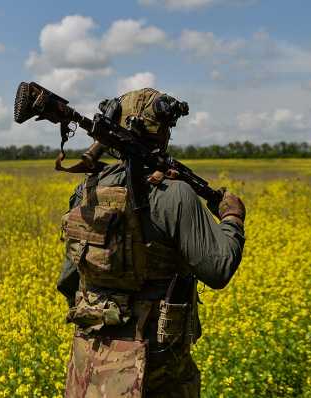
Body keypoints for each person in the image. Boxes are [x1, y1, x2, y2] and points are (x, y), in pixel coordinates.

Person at [56, 88, 246, 397]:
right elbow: (219, 268)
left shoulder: (85, 191)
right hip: (156, 369)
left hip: (90, 364)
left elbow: (69, 279)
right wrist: (232, 218)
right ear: (162, 133)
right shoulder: (174, 194)